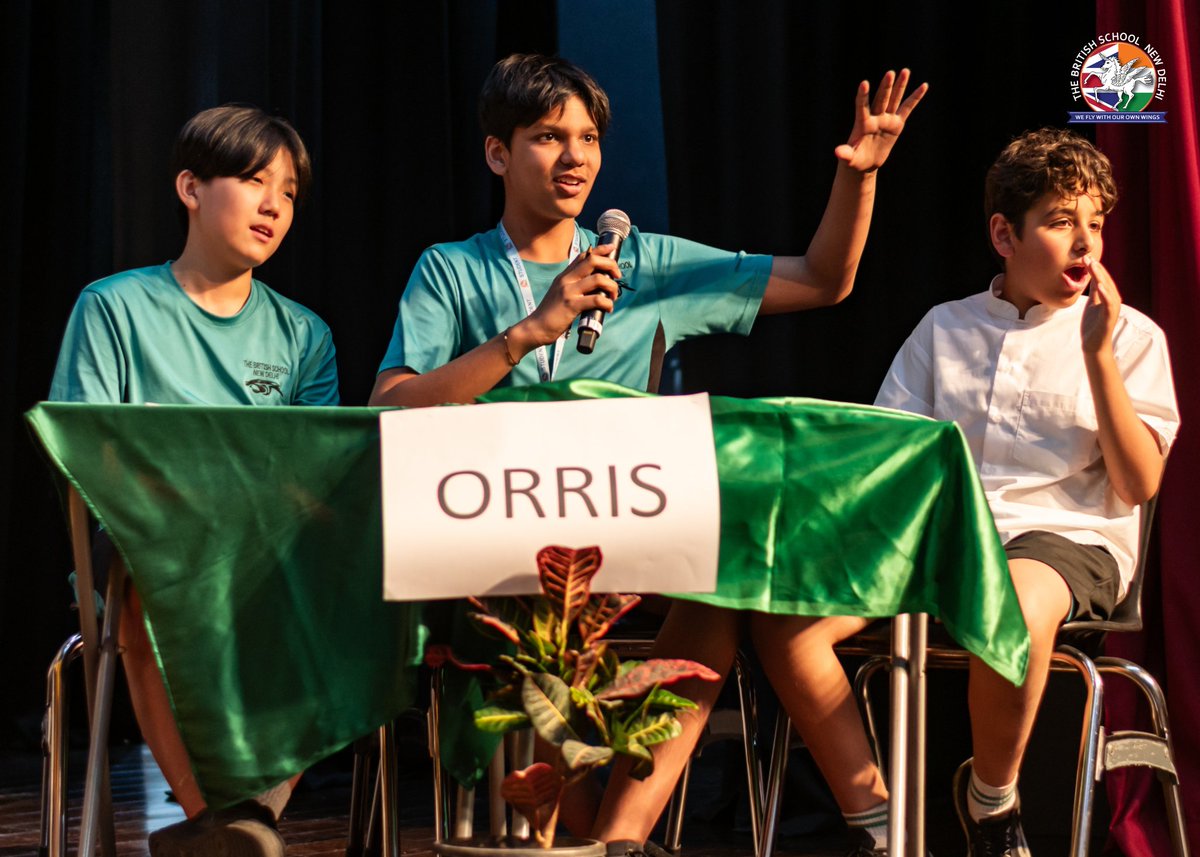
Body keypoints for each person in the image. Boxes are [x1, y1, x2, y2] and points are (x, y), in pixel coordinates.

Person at [369, 53, 925, 857]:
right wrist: (527, 332)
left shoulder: (646, 263)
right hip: (493, 538)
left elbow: (823, 278)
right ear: (498, 153)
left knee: (725, 587)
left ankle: (624, 839)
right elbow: (391, 403)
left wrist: (859, 178)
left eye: (588, 137)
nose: (575, 157)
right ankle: (590, 827)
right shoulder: (450, 270)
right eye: (548, 136)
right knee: (538, 624)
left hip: (621, 531)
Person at [872, 128, 1180, 855]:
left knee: (1008, 602)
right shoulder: (944, 328)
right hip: (945, 539)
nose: (1085, 243)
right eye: (1060, 221)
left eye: (1095, 223)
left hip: (1066, 540)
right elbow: (888, 458)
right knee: (790, 622)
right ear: (1004, 234)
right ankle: (872, 819)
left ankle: (991, 803)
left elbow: (1138, 482)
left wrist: (1097, 353)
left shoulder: (1133, 336)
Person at [51, 104, 338, 857]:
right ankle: (218, 818)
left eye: (289, 192)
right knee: (151, 574)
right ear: (190, 187)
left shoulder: (304, 334)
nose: (275, 204)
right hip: (148, 548)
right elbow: (83, 453)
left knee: (356, 578)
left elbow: (314, 471)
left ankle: (239, 825)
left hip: (266, 554)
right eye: (253, 180)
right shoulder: (113, 307)